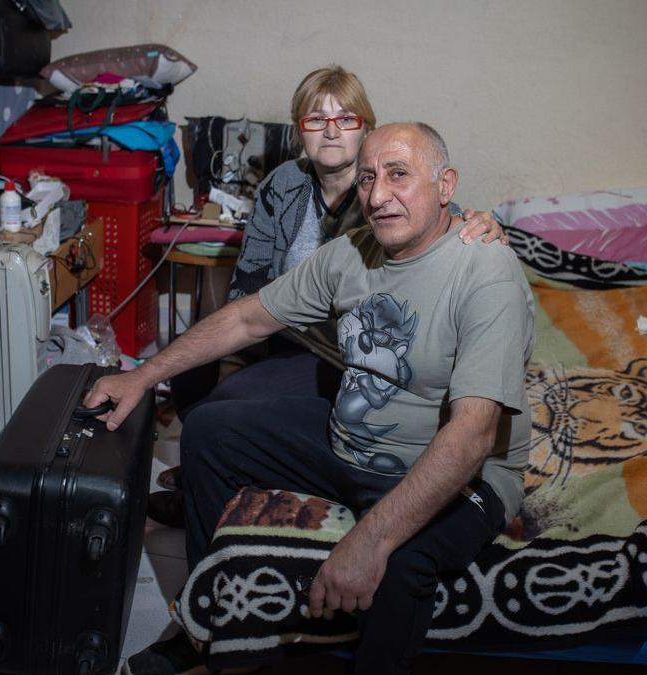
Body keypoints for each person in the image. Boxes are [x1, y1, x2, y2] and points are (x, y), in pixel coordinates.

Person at [91, 122, 534, 675]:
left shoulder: (485, 271)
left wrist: (369, 542)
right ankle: (207, 621)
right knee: (208, 430)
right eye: (368, 177)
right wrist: (143, 376)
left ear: (446, 186)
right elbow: (250, 317)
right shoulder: (353, 253)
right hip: (353, 442)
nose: (378, 195)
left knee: (399, 564)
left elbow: (472, 436)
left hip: (462, 474)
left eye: (399, 174)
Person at [151, 66, 507, 522]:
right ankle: (217, 468)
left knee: (228, 402)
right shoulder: (282, 184)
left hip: (344, 354)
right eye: (316, 119)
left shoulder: (382, 195)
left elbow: (441, 218)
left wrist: (486, 224)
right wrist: (234, 359)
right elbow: (250, 280)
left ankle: (217, 485)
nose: (332, 130)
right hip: (280, 331)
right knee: (192, 369)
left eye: (347, 118)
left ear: (367, 126)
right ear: (300, 129)